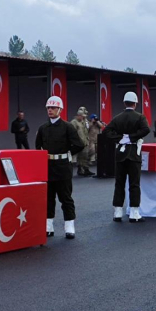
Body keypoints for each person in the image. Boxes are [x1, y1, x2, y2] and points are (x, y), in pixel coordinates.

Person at [35, 96, 85, 239]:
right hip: (48, 166)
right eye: (48, 108)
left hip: (63, 166)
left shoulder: (68, 127)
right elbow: (38, 146)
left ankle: (69, 226)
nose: (50, 110)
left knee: (65, 197)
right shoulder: (43, 128)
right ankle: (48, 226)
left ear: (60, 110)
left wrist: (68, 153)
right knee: (48, 198)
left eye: (53, 108)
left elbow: (79, 144)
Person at [102, 91, 151, 222]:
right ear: (135, 103)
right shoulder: (140, 117)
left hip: (120, 153)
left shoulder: (118, 117)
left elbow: (106, 131)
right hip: (134, 152)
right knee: (134, 183)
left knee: (119, 183)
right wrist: (131, 137)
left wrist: (120, 138)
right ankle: (135, 213)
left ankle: (117, 212)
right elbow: (146, 130)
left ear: (124, 103)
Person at [71, 107, 94, 176]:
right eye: (82, 116)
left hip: (85, 142)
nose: (83, 118)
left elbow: (87, 129)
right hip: (79, 142)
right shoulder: (74, 122)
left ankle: (84, 169)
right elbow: (72, 133)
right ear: (79, 115)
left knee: (85, 156)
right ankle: (83, 170)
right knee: (82, 157)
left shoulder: (84, 122)